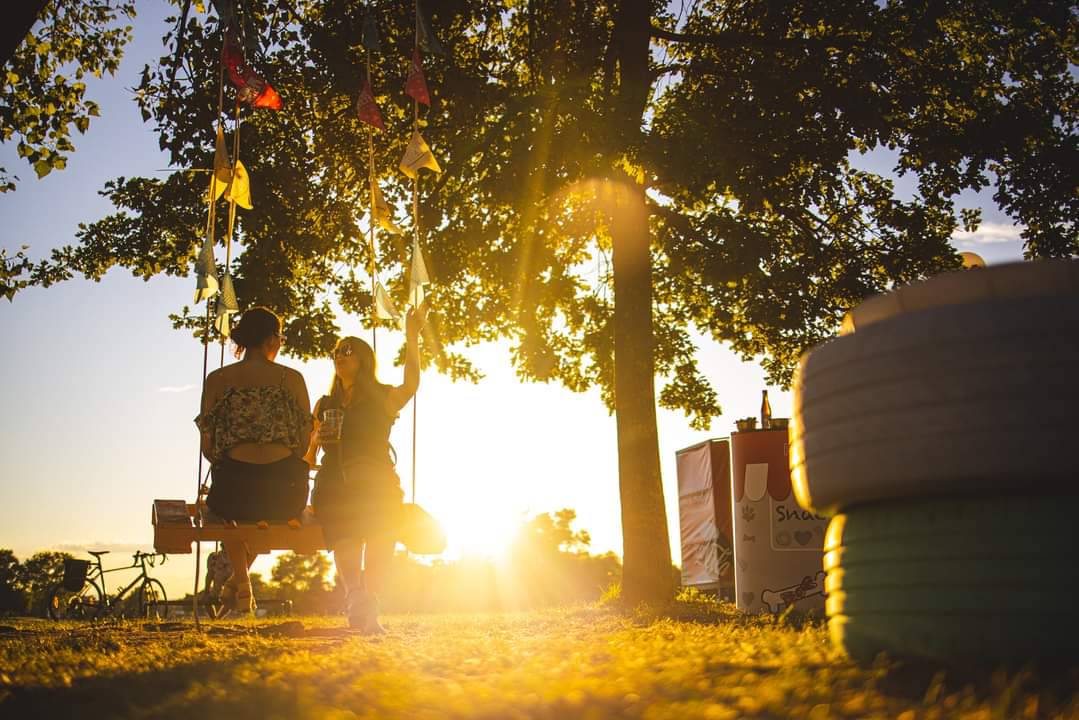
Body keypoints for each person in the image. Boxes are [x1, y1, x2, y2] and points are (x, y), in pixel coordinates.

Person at [306, 302, 427, 633]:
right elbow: (310, 451)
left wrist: (412, 337)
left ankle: (366, 601)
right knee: (345, 531)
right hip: (334, 482)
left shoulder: (382, 398)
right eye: (336, 352)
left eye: (348, 351)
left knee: (381, 534)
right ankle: (357, 596)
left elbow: (412, 383)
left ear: (363, 359)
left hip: (376, 480)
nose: (339, 356)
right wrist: (317, 436)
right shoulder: (325, 403)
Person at [196, 307, 313, 616]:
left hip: (235, 489)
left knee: (227, 510)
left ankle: (241, 580)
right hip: (284, 491)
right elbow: (303, 443)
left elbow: (208, 447)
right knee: (263, 512)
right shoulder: (292, 378)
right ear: (271, 339)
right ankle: (239, 580)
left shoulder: (219, 378)